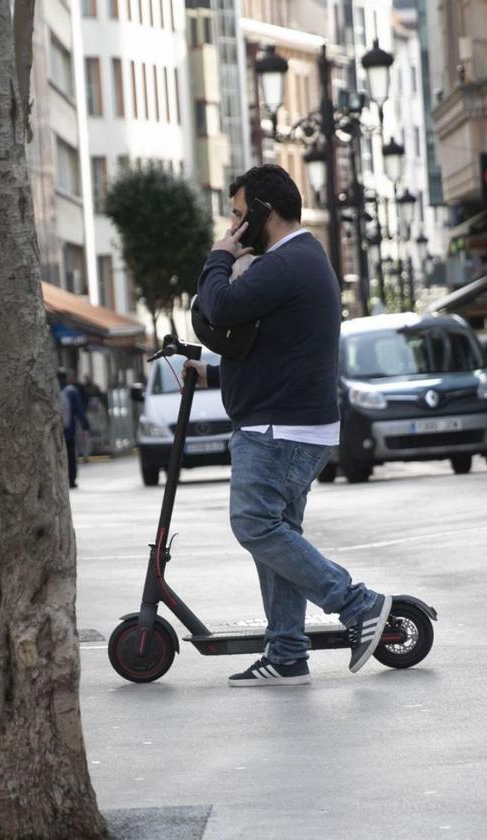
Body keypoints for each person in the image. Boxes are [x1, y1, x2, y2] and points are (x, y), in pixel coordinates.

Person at [185, 164, 392, 687]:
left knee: (255, 525)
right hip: (290, 426)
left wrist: (219, 256)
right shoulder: (299, 260)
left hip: (280, 431)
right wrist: (211, 372)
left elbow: (221, 305)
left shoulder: (285, 261)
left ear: (262, 212)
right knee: (278, 535)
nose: (233, 227)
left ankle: (358, 605)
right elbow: (271, 350)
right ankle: (287, 652)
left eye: (238, 215)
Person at [59, 370, 90, 488]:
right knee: (71, 456)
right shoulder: (71, 392)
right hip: (69, 431)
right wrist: (85, 424)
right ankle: (71, 479)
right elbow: (79, 410)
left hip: (56, 433)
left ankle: (62, 479)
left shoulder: (53, 391)